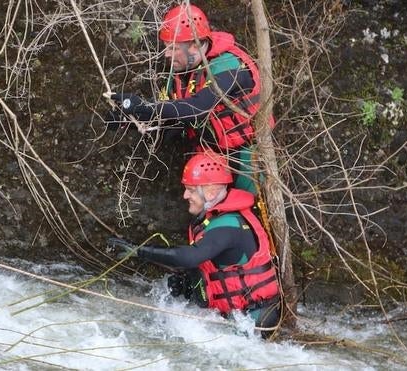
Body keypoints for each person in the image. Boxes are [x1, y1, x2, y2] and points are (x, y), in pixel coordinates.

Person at [107, 3, 274, 194]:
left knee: (248, 215)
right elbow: (170, 115)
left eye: (173, 48)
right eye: (166, 47)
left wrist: (144, 106)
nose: (166, 54)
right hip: (208, 164)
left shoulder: (228, 66)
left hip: (243, 161)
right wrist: (128, 119)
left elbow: (198, 108)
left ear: (195, 45)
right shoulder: (180, 72)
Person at [110, 151, 280, 338]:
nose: (184, 195)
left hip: (253, 324)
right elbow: (214, 268)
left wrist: (138, 251)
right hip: (237, 318)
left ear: (211, 192)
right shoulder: (217, 217)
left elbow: (189, 257)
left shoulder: (229, 225)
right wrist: (188, 285)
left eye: (190, 190)